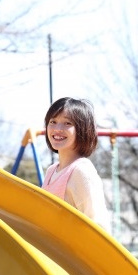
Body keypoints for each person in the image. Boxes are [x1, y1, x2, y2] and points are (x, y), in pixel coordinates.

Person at [40, 97, 108, 229]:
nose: (57, 129)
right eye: (53, 121)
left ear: (82, 130)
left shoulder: (81, 171)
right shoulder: (51, 171)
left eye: (67, 123)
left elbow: (98, 225)